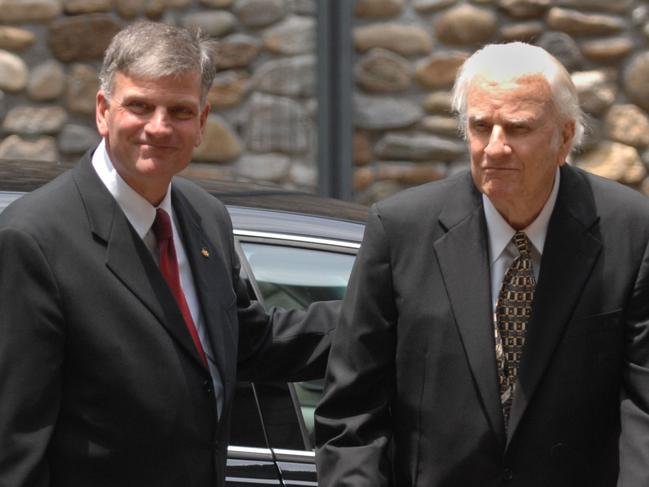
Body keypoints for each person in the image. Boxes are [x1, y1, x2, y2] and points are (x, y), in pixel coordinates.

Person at [0, 21, 338, 487]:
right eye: (139, 106)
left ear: (201, 123)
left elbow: (242, 342)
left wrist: (380, 315)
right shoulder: (32, 240)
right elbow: (15, 447)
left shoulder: (206, 217)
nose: (158, 127)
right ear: (103, 111)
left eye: (179, 111)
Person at [315, 42, 649, 486]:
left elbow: (643, 409)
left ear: (564, 137)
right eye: (480, 126)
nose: (494, 147)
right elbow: (351, 414)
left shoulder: (629, 230)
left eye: (517, 128)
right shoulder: (400, 230)